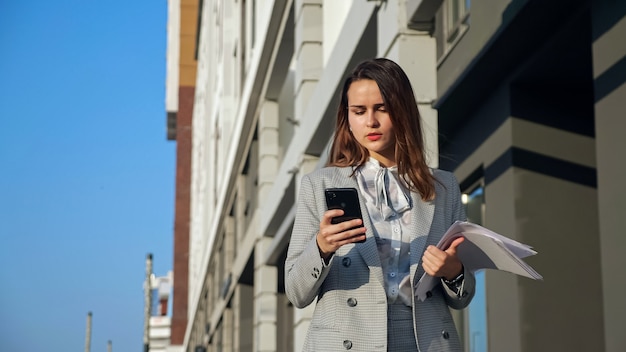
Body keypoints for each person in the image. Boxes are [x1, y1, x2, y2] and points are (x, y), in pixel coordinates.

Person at [284, 58, 475, 351]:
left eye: (382, 109)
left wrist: (453, 270)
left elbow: (462, 297)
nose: (370, 122)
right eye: (359, 111)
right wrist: (321, 248)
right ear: (347, 117)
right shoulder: (320, 185)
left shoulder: (444, 187)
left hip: (424, 339)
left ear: (402, 111)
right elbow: (296, 293)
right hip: (348, 338)